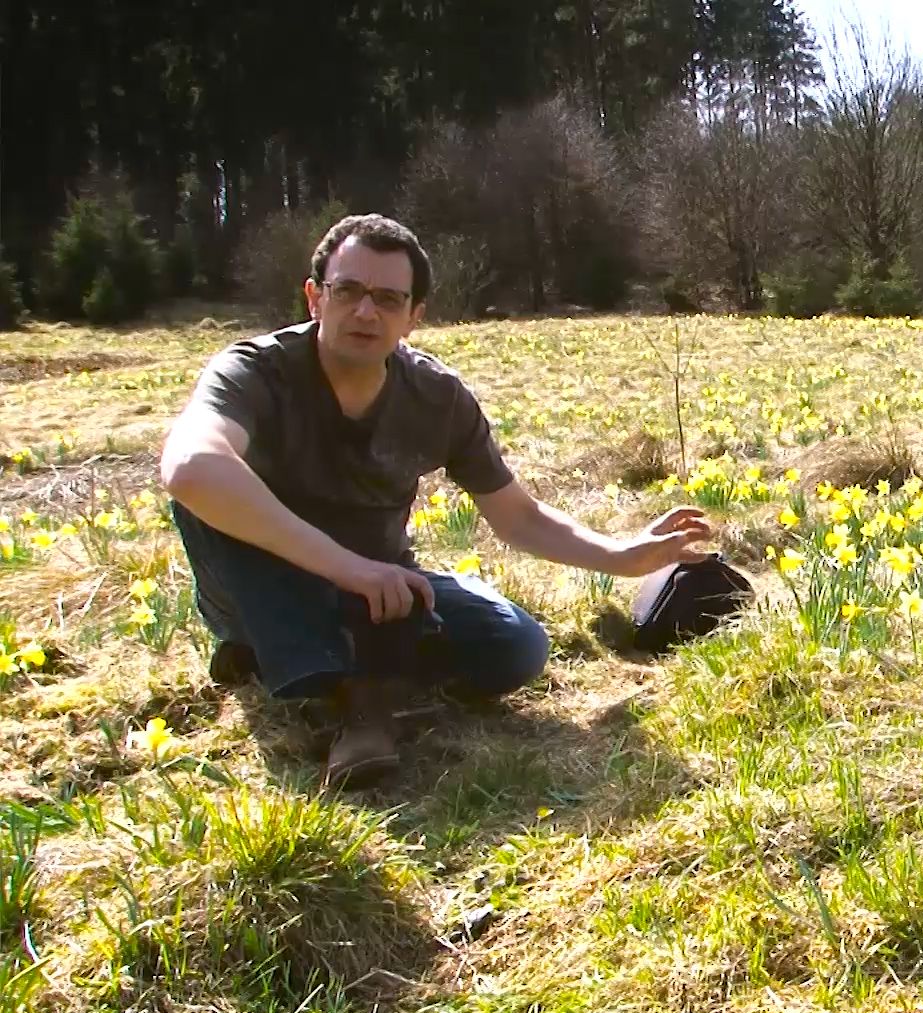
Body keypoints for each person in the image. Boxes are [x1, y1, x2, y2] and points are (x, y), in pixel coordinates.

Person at [159, 213, 714, 788]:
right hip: (263, 584)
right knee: (211, 495)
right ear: (314, 298)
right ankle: (357, 697)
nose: (365, 312)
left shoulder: (435, 397)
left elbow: (517, 515)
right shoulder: (254, 371)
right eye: (346, 290)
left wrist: (622, 557)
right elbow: (189, 467)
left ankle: (313, 661)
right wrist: (349, 568)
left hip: (377, 588)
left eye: (388, 299)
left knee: (515, 647)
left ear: (414, 317)